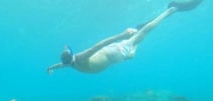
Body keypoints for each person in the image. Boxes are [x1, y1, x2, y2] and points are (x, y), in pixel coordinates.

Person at [47, 0, 203, 74]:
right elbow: (99, 45)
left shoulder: (70, 63)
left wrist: (51, 68)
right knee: (135, 46)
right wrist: (121, 35)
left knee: (140, 39)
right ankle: (169, 12)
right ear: (71, 56)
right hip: (115, 53)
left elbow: (60, 64)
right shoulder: (78, 58)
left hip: (114, 54)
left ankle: (171, 10)